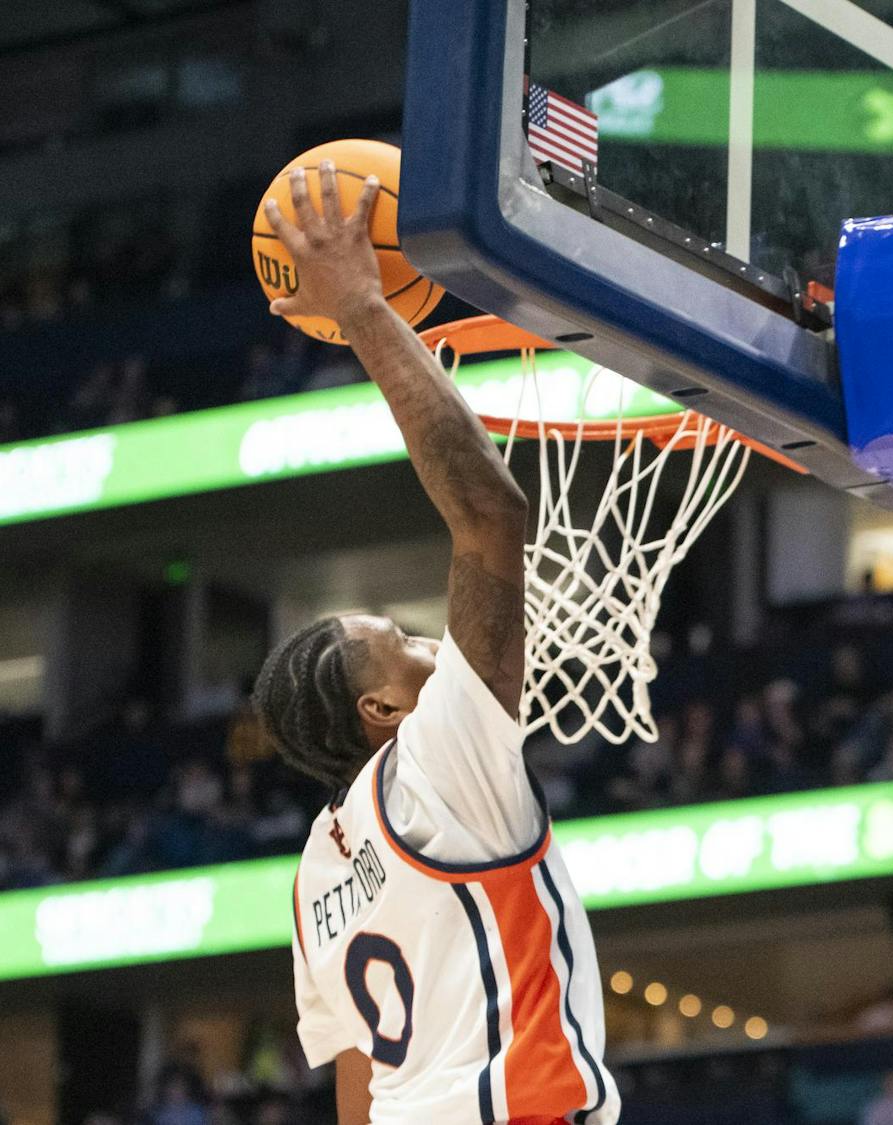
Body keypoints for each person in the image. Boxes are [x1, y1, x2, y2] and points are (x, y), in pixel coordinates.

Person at [253, 163, 618, 1123]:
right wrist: (366, 308)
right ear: (383, 711)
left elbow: (356, 1083)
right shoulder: (438, 755)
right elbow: (491, 517)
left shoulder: (317, 874)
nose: (432, 645)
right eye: (408, 643)